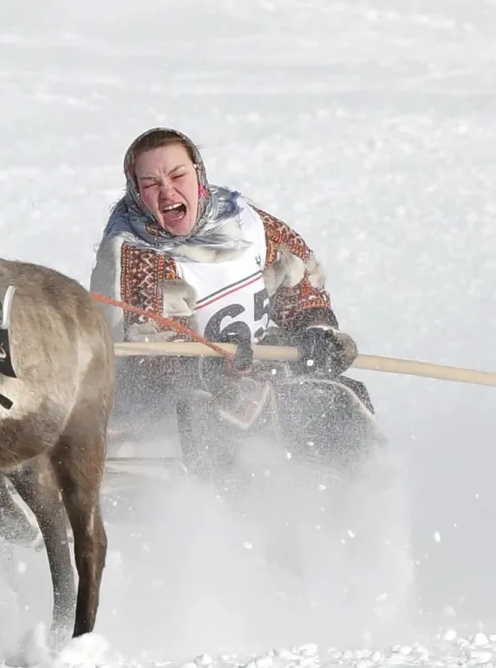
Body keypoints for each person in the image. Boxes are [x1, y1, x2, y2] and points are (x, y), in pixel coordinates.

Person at [88, 127, 380, 487]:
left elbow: (298, 276)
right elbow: (153, 351)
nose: (167, 192)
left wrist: (314, 329)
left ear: (199, 175)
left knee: (338, 399)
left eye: (178, 175)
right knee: (215, 418)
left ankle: (367, 500)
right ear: (136, 193)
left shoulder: (241, 220)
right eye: (150, 184)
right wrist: (207, 364)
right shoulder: (137, 254)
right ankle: (232, 522)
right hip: (173, 402)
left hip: (259, 370)